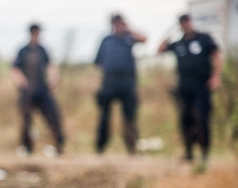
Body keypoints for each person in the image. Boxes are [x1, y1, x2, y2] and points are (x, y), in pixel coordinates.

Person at [158, 14, 222, 162]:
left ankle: (205, 153)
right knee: (185, 119)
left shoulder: (204, 38)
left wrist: (216, 77)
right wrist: (169, 32)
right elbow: (160, 50)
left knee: (202, 118)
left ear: (191, 22)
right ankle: (189, 152)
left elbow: (217, 54)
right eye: (182, 23)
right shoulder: (179, 43)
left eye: (187, 21)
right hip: (184, 86)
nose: (185, 25)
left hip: (202, 85)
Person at [94, 14, 146, 155]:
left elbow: (144, 39)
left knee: (130, 117)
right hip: (109, 82)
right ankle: (100, 148)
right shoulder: (106, 40)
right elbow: (98, 62)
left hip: (127, 82)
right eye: (116, 23)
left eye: (120, 23)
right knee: (105, 117)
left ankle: (132, 148)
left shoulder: (129, 38)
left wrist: (128, 29)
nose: (118, 25)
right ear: (112, 24)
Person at [11, 23, 65, 156]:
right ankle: (26, 148)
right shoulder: (23, 50)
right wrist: (21, 82)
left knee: (53, 116)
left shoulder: (43, 50)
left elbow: (50, 66)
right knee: (26, 119)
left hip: (42, 88)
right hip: (27, 90)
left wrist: (53, 79)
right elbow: (15, 69)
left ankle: (58, 146)